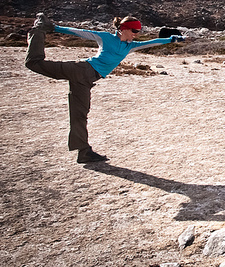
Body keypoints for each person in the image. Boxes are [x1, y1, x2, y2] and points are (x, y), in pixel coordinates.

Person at [25, 13, 184, 163]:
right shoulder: (106, 38)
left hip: (86, 81)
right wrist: (53, 28)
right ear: (124, 28)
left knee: (80, 114)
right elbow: (81, 32)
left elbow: (151, 42)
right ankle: (38, 30)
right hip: (81, 69)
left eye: (138, 31)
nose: (137, 34)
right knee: (34, 63)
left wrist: (172, 39)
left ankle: (83, 152)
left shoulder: (129, 46)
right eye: (134, 30)